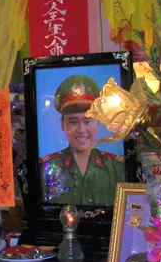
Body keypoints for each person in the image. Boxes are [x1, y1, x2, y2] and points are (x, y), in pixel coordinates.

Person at [40, 74, 124, 207]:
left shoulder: (116, 168)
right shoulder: (45, 168)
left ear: (98, 122)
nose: (81, 130)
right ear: (62, 124)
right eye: (73, 122)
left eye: (88, 121)